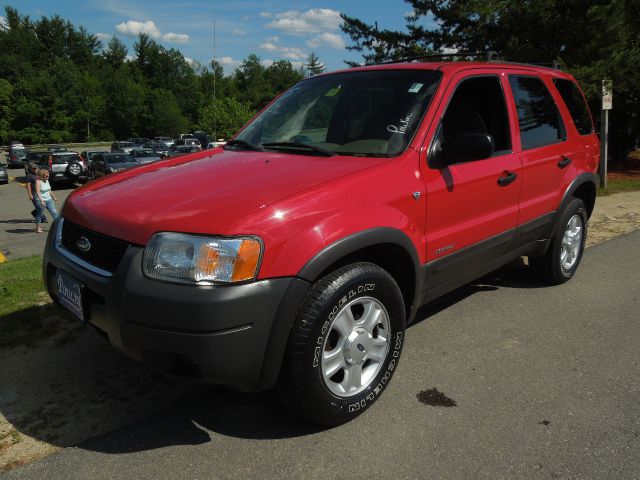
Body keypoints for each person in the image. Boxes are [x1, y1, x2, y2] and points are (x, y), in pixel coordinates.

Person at [34, 168, 58, 233]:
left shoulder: (47, 180)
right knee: (40, 214)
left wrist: (54, 197)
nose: (47, 177)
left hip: (49, 200)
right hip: (40, 200)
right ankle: (38, 227)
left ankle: (59, 227)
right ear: (41, 176)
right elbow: (38, 192)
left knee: (54, 213)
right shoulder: (38, 182)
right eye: (46, 176)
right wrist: (42, 201)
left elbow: (49, 190)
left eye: (48, 175)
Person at [25, 162, 46, 226]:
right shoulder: (29, 175)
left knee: (41, 205)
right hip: (34, 193)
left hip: (40, 192)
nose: (35, 169)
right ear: (30, 169)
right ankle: (43, 218)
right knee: (39, 206)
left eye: (36, 168)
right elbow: (28, 186)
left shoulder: (38, 173)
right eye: (33, 169)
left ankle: (34, 213)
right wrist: (30, 194)